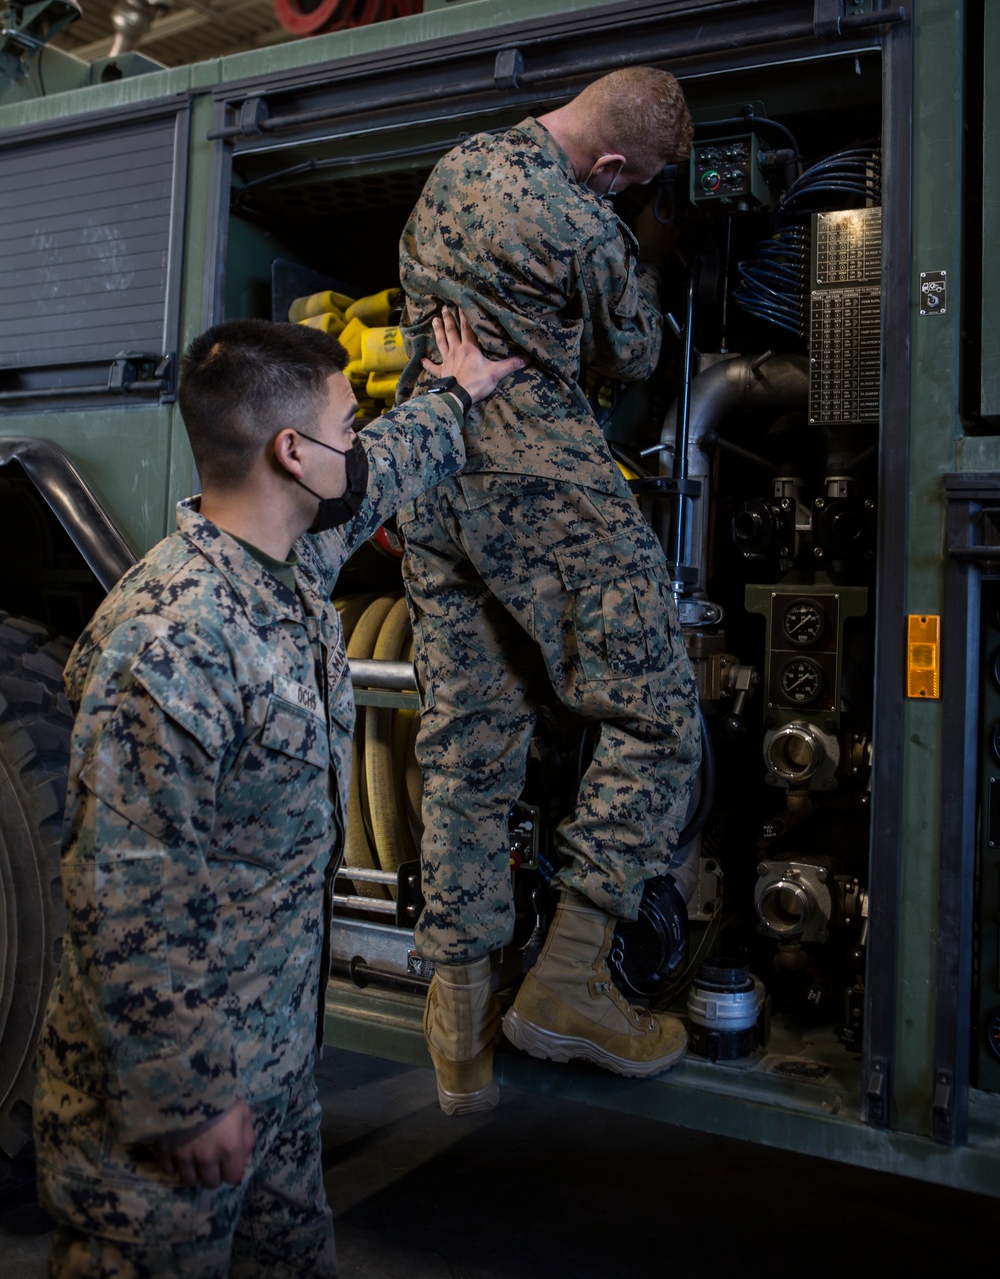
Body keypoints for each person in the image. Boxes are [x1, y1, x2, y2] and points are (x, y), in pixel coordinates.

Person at [32, 311, 520, 1278]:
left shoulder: (293, 562)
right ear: (292, 453)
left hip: (276, 1078)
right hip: (168, 1115)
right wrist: (187, 1097)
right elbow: (127, 895)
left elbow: (383, 464)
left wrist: (458, 392)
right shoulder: (166, 644)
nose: (357, 437)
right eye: (345, 421)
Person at [395, 65, 703, 1115]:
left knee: (469, 739)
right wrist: (644, 265)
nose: (626, 193)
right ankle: (566, 985)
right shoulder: (586, 226)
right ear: (612, 166)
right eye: (634, 181)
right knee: (658, 719)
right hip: (542, 481)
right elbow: (633, 356)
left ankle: (462, 1031)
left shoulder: (456, 169)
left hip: (434, 479)